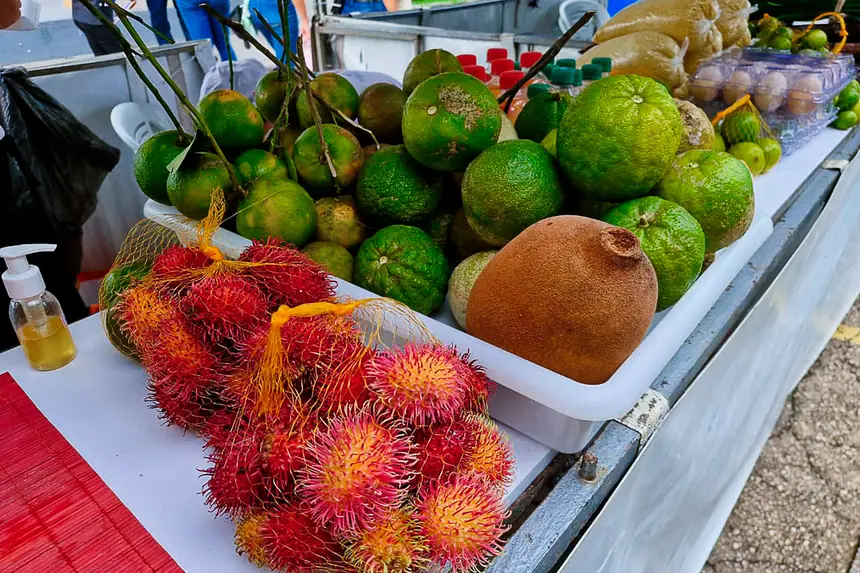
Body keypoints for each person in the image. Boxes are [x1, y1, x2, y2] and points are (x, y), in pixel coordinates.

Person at [244, 0, 309, 61]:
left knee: (283, 58)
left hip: (254, 8)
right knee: (287, 63)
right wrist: (304, 20)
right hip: (277, 11)